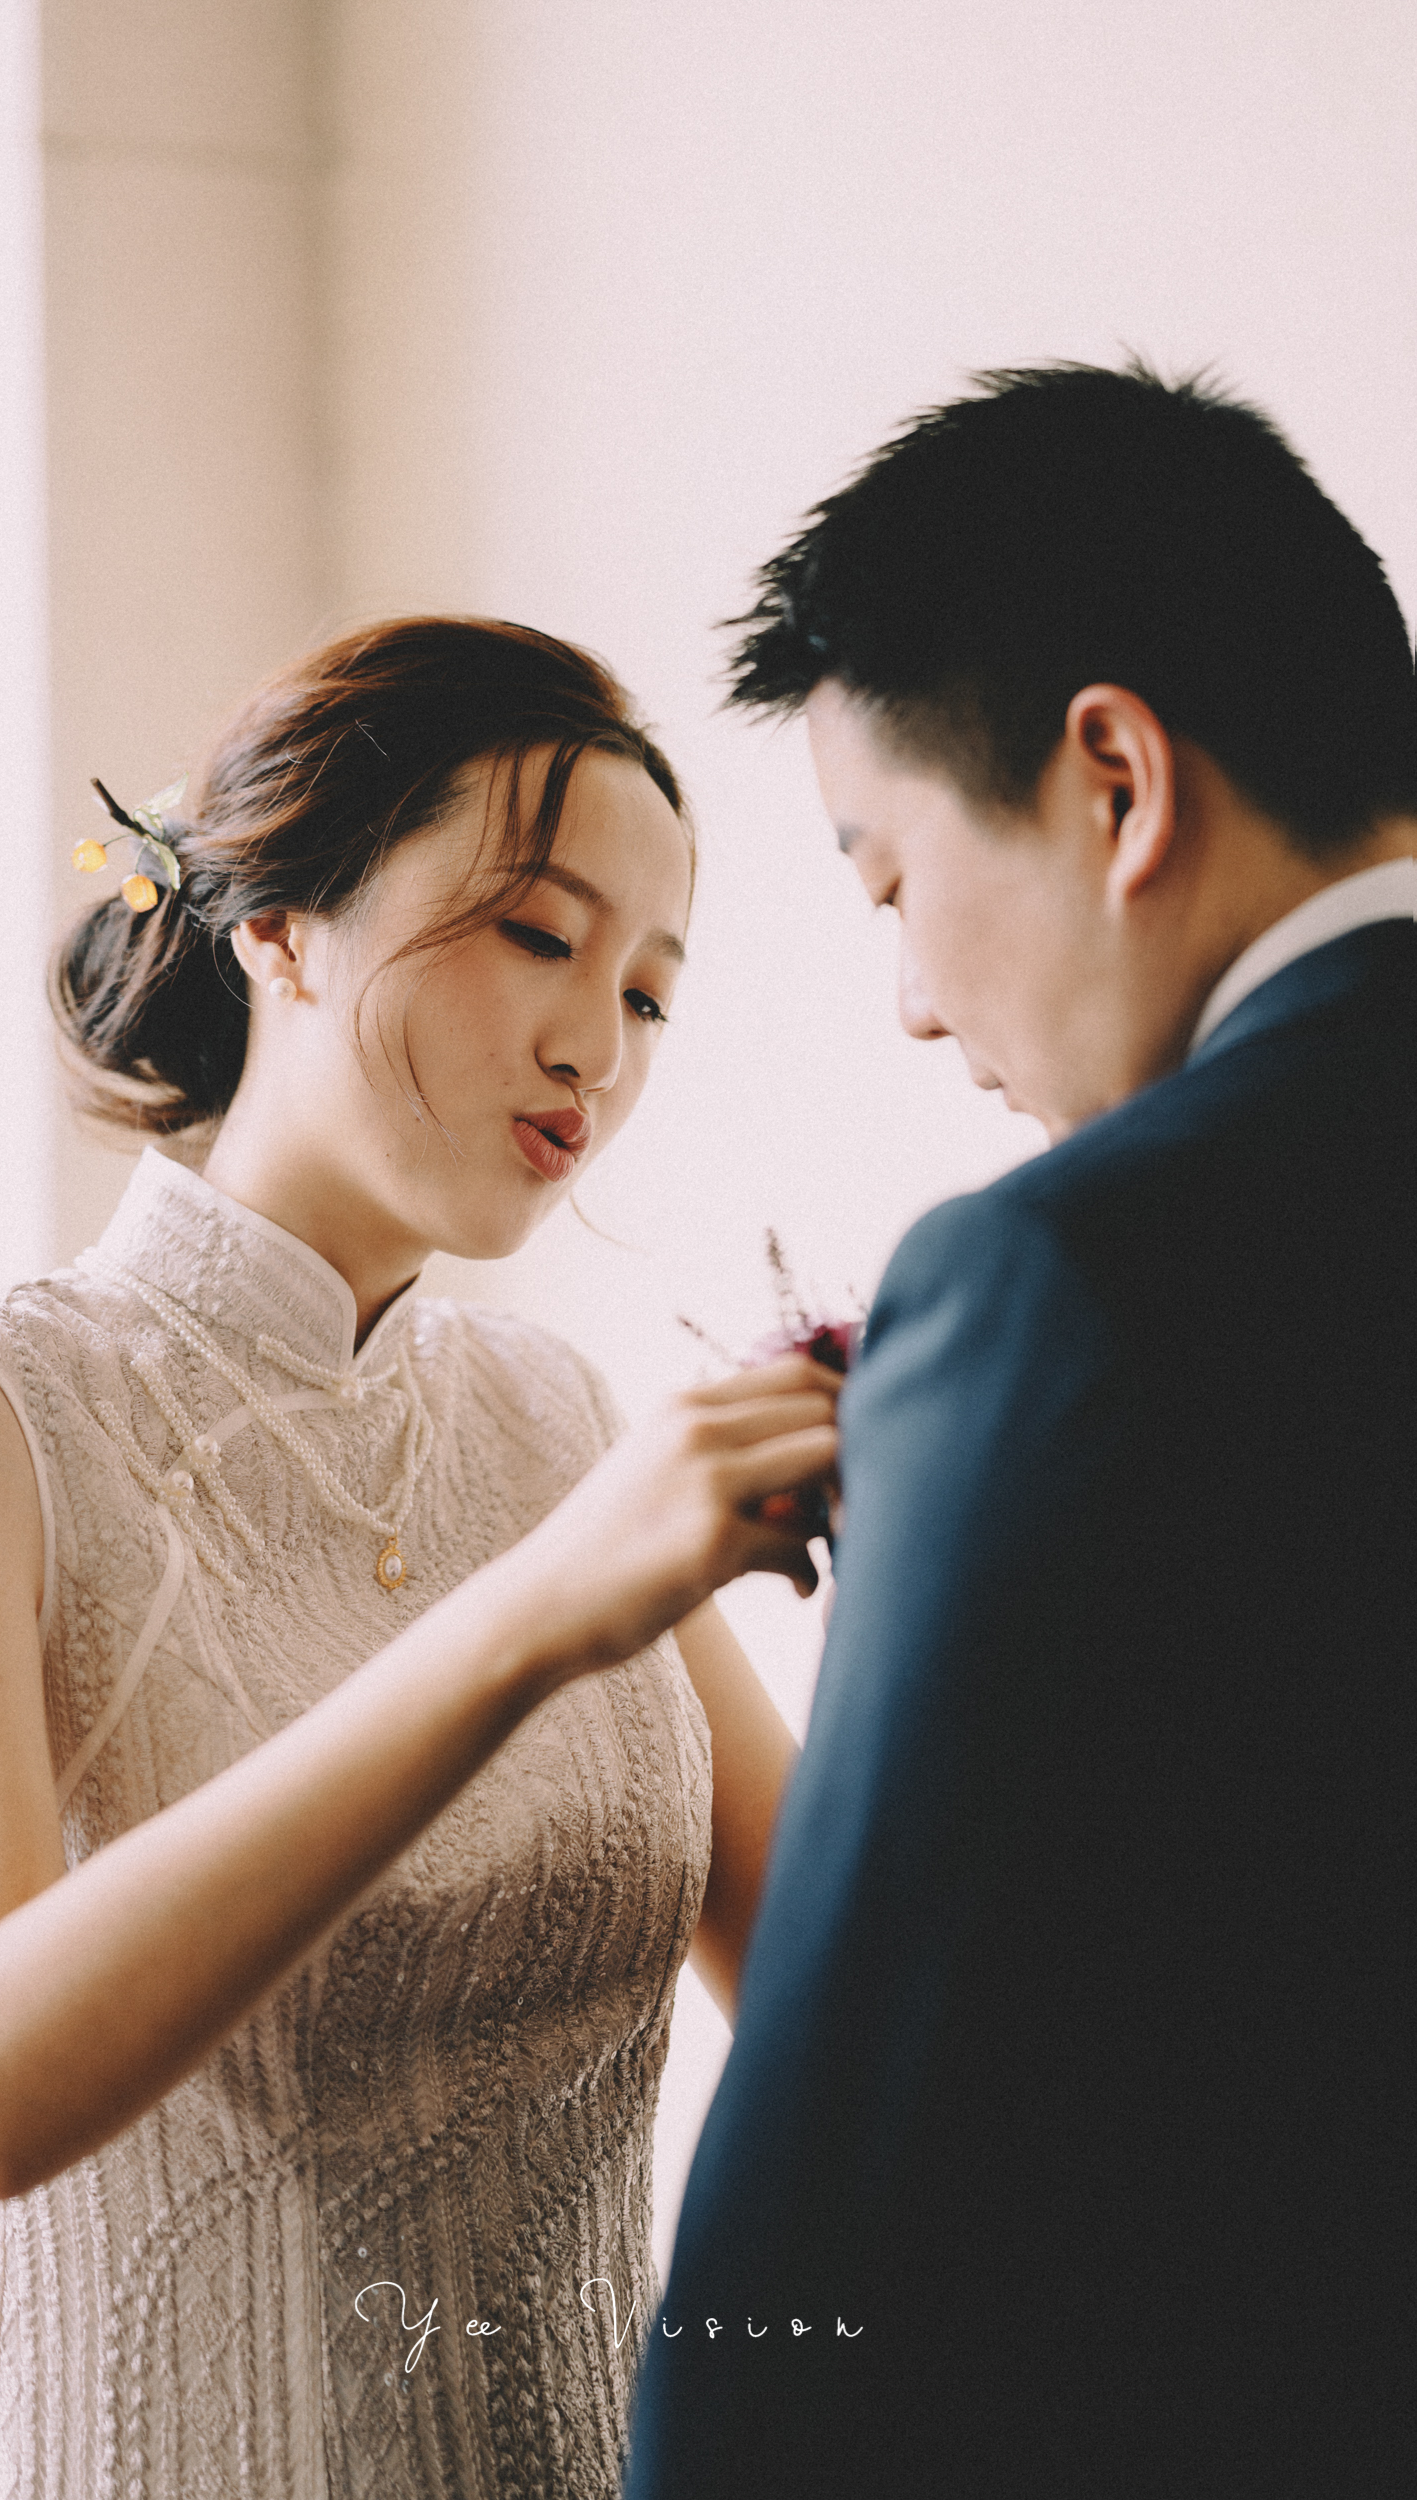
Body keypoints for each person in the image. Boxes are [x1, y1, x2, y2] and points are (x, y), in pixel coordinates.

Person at [0, 616, 844, 2499]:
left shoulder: (557, 1418)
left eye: (650, 992)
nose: (594, 1046)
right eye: (535, 935)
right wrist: (529, 1620)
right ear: (277, 925)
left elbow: (845, 2001)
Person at [626, 363, 1416, 2498]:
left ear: (1114, 780)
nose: (908, 1000)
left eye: (889, 883)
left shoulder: (1071, 1279)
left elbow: (858, 2183)